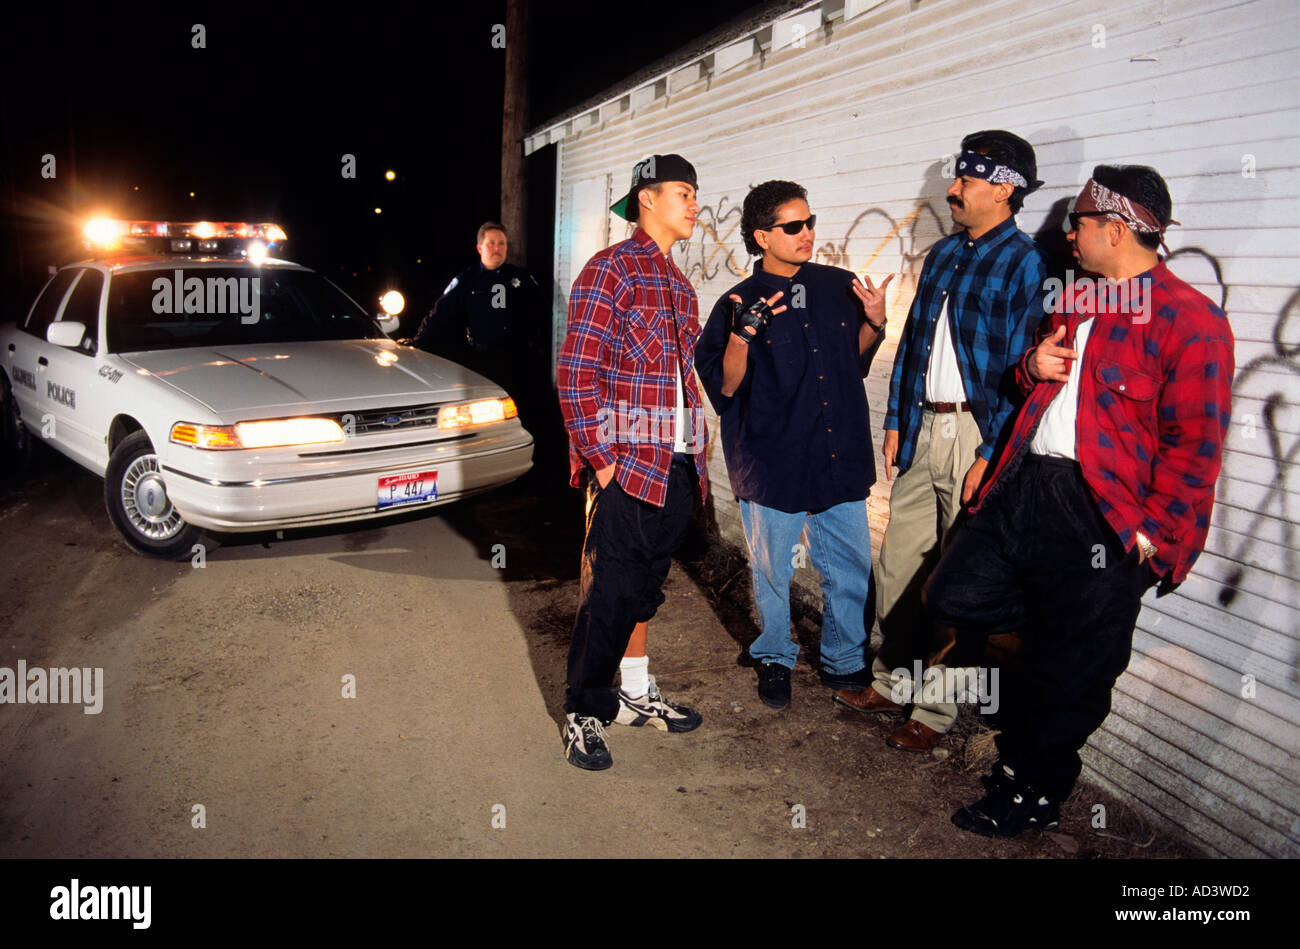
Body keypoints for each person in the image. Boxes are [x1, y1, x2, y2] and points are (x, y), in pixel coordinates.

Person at [926, 164, 1234, 836]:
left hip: (1102, 510)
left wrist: (1152, 538)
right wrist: (1028, 367)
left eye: (1081, 224)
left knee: (1075, 668)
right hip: (1029, 484)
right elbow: (1033, 390)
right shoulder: (1077, 298)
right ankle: (1051, 646)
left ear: (1116, 230)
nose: (1070, 236)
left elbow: (1196, 446)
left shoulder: (1191, 320)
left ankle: (1033, 791)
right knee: (954, 593)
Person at [843, 131, 1048, 753]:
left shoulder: (1025, 263)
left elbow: (1025, 372)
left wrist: (991, 454)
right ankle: (890, 681)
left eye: (966, 181)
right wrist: (897, 421)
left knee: (960, 582)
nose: (952, 190)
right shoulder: (942, 255)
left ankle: (931, 714)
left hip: (977, 436)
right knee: (899, 563)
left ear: (1005, 189)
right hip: (925, 426)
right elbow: (912, 348)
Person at [695, 180, 890, 710]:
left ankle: (846, 666)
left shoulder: (839, 285)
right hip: (772, 459)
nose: (807, 234)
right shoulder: (735, 301)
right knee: (772, 572)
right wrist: (743, 335)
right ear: (762, 236)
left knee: (850, 570)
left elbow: (853, 360)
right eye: (793, 226)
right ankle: (775, 657)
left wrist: (875, 321)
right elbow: (726, 387)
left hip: (836, 455)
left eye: (810, 222)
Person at [555, 154, 710, 771]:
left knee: (646, 591)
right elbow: (576, 373)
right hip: (626, 465)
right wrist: (601, 462)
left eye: (696, 193)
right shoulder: (610, 270)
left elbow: (678, 379)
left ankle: (636, 697)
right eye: (682, 192)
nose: (694, 203)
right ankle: (584, 713)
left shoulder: (679, 285)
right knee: (611, 595)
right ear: (646, 199)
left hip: (676, 463)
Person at [412, 222, 548, 427]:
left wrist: (540, 347)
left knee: (524, 417)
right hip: (484, 362)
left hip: (518, 361)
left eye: (502, 244)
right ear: (480, 248)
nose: (497, 249)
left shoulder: (520, 278)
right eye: (491, 243)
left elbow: (542, 313)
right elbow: (439, 314)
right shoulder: (467, 279)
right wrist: (417, 343)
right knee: (488, 417)